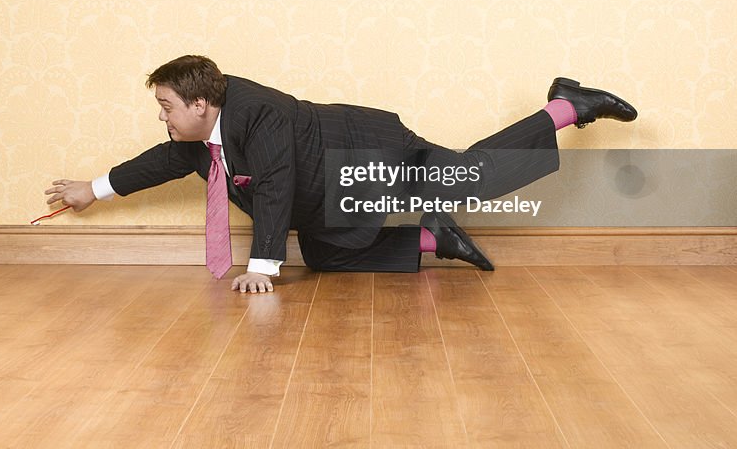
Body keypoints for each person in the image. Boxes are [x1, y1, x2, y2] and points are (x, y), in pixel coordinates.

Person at [47, 55, 637, 293]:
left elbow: (275, 183)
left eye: (167, 107)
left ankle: (567, 106)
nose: (163, 118)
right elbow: (159, 161)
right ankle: (438, 238)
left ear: (200, 104)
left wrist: (262, 267)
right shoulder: (201, 136)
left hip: (370, 151)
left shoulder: (262, 115)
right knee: (328, 258)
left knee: (470, 178)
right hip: (330, 193)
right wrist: (91, 191)